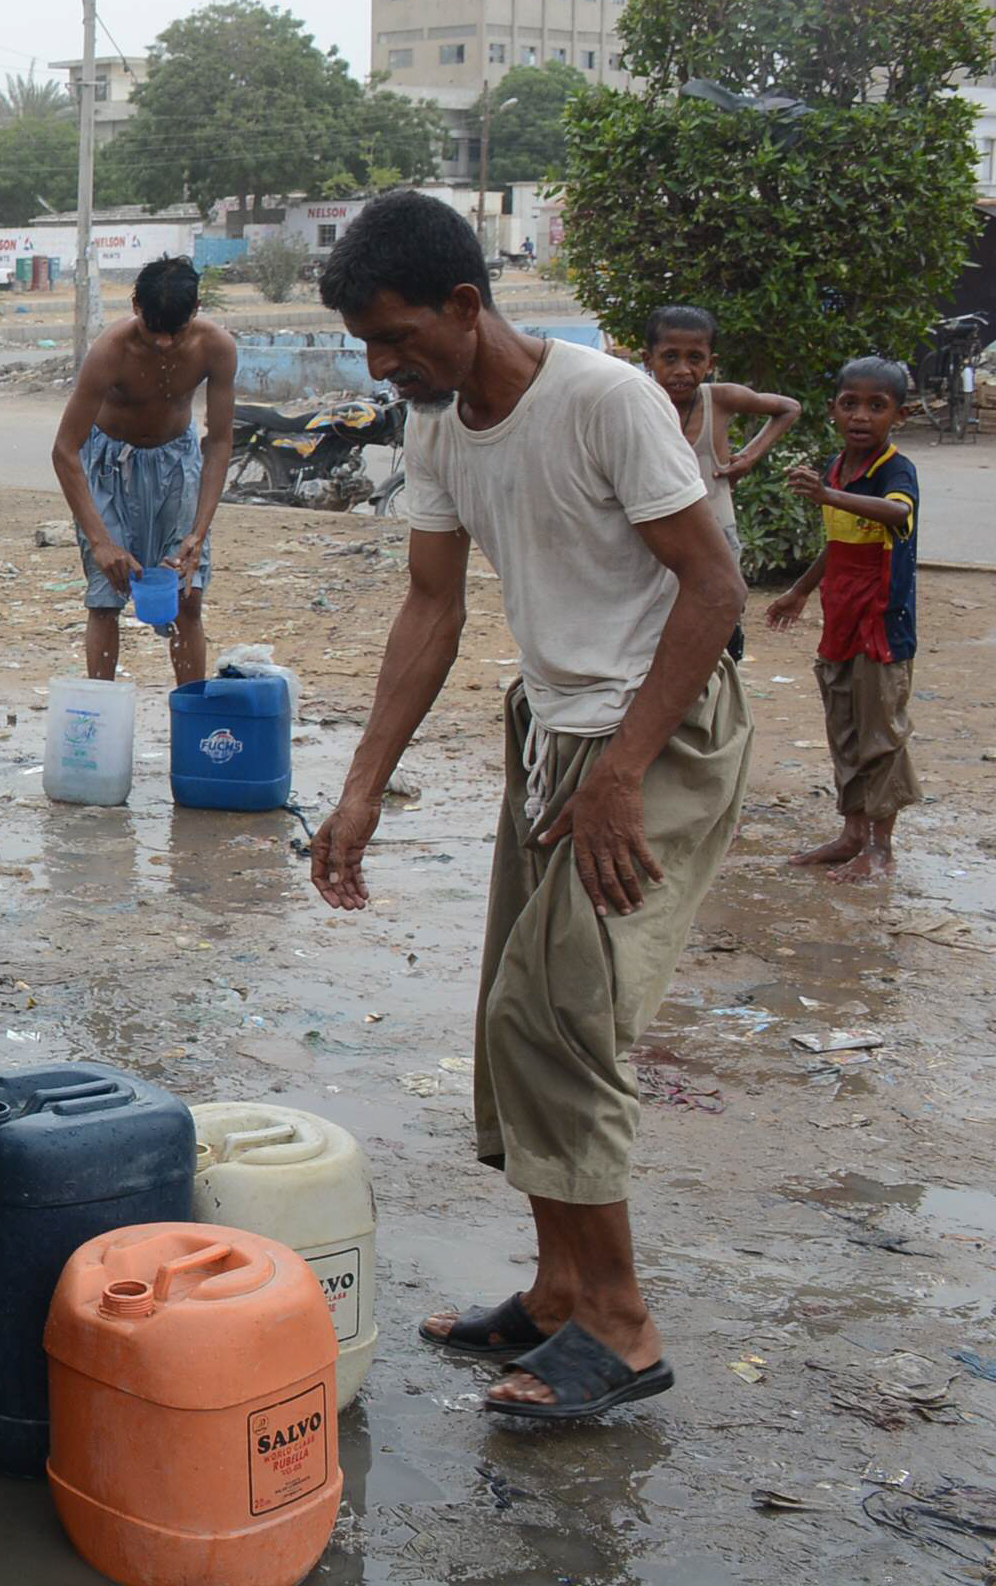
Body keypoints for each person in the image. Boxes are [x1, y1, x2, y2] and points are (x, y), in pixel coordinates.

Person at [307, 190, 747, 1426]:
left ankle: (620, 1320)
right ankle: (559, 1290)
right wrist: (360, 788)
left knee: (557, 1010)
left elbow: (712, 588)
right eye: (365, 348)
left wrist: (622, 768)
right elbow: (430, 610)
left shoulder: (606, 399)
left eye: (398, 339)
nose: (385, 367)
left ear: (466, 303)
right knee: (513, 1011)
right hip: (557, 729)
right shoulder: (440, 429)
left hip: (658, 730)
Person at [763, 357, 921, 883]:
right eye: (850, 403)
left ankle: (881, 847)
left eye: (877, 406)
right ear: (834, 409)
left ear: (898, 415)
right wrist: (800, 591)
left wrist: (829, 495)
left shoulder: (894, 470)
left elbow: (897, 513)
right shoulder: (838, 468)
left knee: (881, 732)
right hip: (841, 618)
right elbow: (838, 543)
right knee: (845, 728)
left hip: (881, 623)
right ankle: (852, 834)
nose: (861, 416)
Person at [48, 255, 237, 687]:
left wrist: (199, 532)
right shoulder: (110, 351)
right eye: (155, 329)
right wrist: (101, 541)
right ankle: (101, 712)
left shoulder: (217, 348)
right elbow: (65, 450)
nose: (166, 343)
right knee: (105, 597)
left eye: (178, 330)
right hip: (109, 469)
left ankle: (189, 710)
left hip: (177, 468)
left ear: (196, 309)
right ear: (135, 305)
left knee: (187, 596)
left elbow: (220, 442)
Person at [641, 305, 800, 662]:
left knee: (717, 634)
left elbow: (788, 408)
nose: (682, 370)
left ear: (710, 363)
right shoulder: (636, 403)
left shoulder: (720, 400)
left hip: (717, 541)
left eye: (694, 358)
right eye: (670, 357)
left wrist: (749, 456)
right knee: (660, 638)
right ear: (648, 359)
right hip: (659, 543)